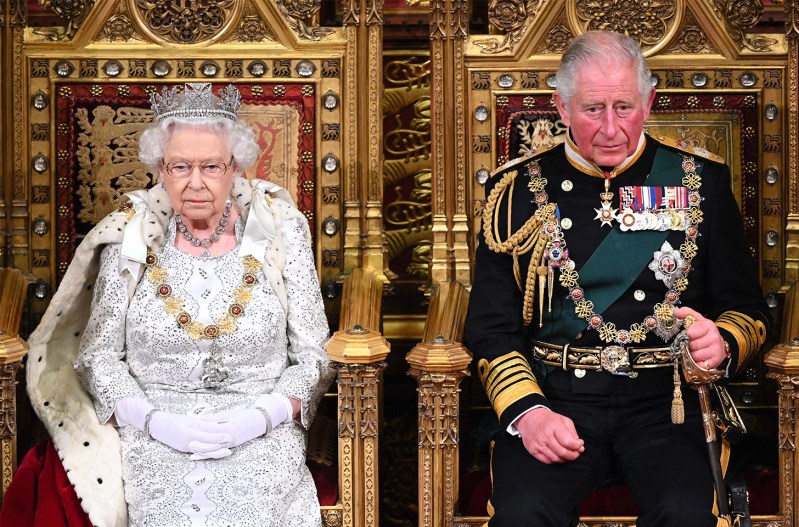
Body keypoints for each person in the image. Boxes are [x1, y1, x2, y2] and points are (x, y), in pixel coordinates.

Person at [464, 31, 771, 527]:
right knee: (522, 515)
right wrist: (528, 412)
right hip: (557, 398)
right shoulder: (516, 190)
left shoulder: (700, 182)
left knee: (686, 515)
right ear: (562, 107)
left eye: (624, 107)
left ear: (647, 103)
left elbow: (748, 309)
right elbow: (490, 326)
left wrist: (722, 340)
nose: (611, 128)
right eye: (593, 109)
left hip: (668, 406)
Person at [23, 83, 334, 527]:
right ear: (160, 169)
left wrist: (263, 417)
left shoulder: (280, 232)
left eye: (211, 166)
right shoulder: (130, 237)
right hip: (153, 432)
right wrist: (153, 422)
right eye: (180, 166)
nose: (196, 182)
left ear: (236, 167)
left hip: (261, 431)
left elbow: (314, 355)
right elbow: (98, 356)